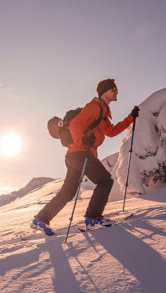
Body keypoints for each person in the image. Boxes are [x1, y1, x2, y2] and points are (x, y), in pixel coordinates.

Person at [32, 78, 140, 235]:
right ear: (105, 92)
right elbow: (76, 124)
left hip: (74, 155)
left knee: (68, 192)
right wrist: (82, 139)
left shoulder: (103, 113)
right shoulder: (95, 107)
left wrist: (131, 118)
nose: (116, 91)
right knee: (105, 181)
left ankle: (41, 219)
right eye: (113, 89)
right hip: (81, 153)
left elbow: (111, 132)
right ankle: (93, 218)